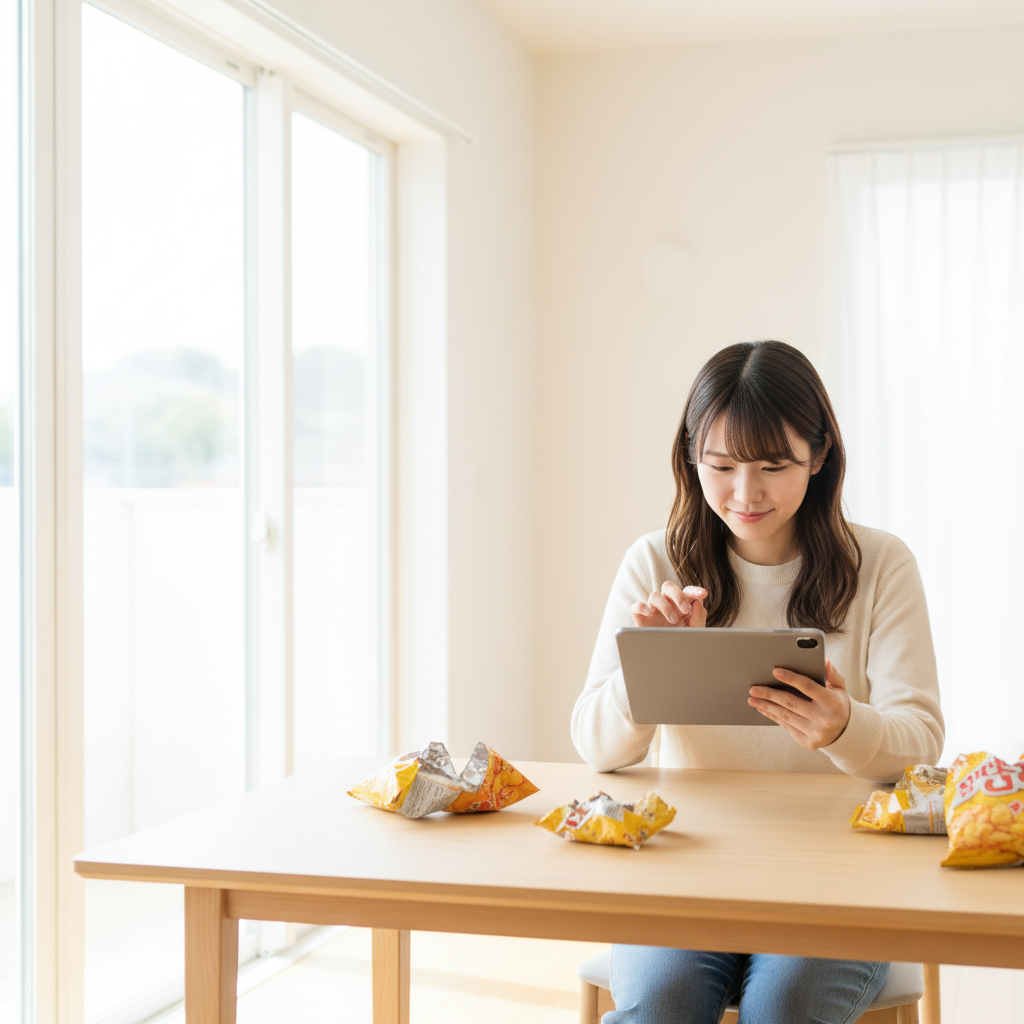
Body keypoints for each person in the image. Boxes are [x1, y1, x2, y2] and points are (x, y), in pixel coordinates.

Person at [571, 340, 943, 1024]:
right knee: (662, 1002)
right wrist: (650, 668)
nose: (745, 494)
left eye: (773, 466)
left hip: (839, 872)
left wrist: (845, 727)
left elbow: (921, 743)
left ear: (820, 456)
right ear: (692, 457)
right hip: (687, 867)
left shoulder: (881, 564)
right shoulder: (655, 560)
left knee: (788, 1007)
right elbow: (596, 747)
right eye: (721, 466)